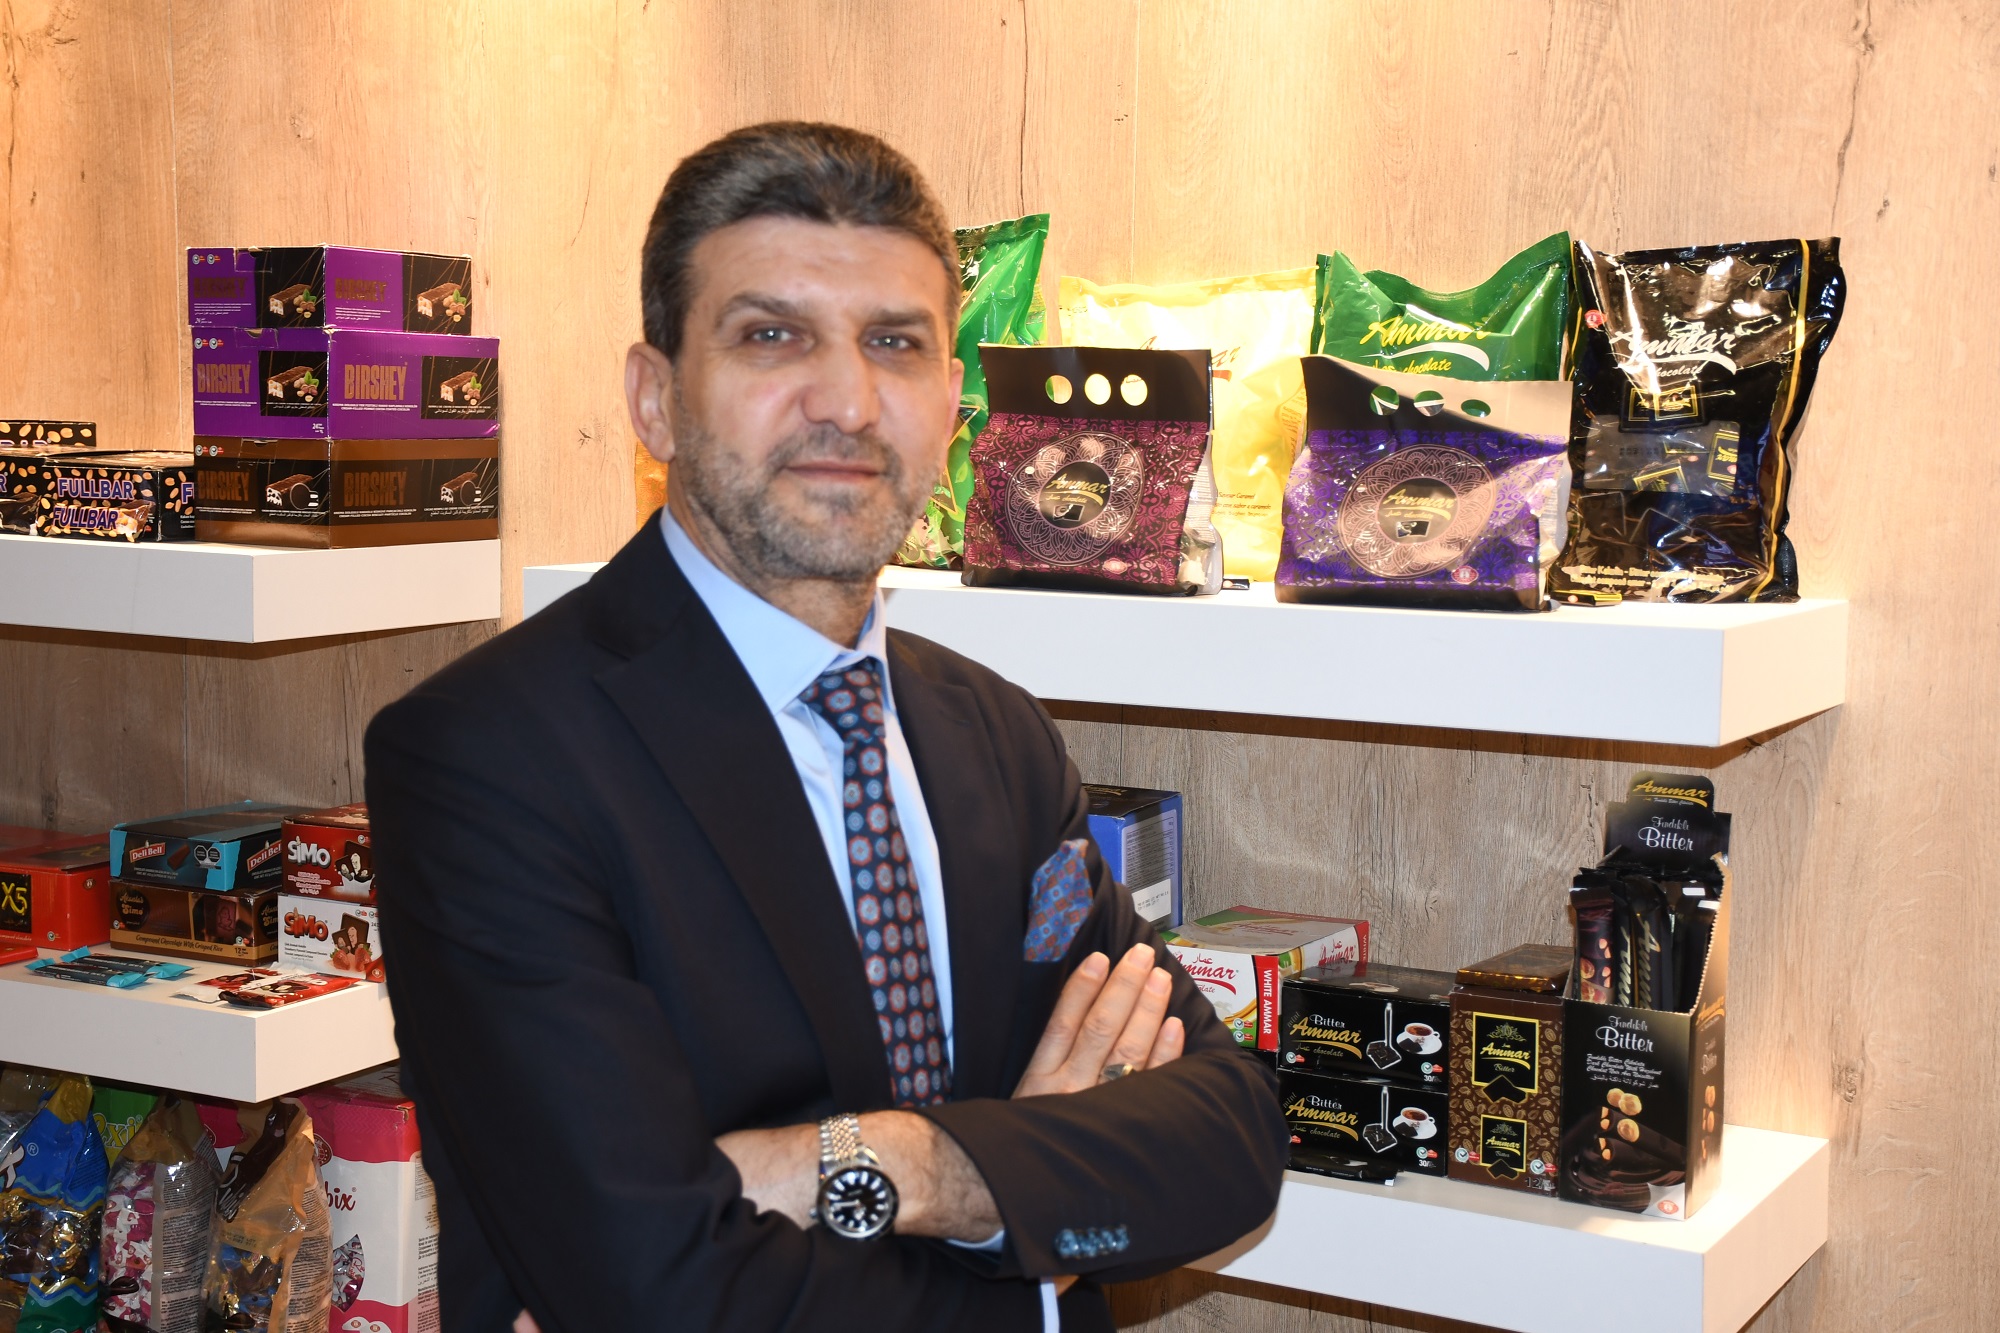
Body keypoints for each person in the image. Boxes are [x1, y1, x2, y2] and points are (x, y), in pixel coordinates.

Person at [364, 121, 1286, 1333]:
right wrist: (1030, 1224)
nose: (847, 402)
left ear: (951, 404)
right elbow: (651, 1288)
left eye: (893, 343)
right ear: (654, 399)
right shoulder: (489, 757)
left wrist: (904, 1164)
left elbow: (1227, 1136)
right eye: (770, 335)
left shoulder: (993, 734)